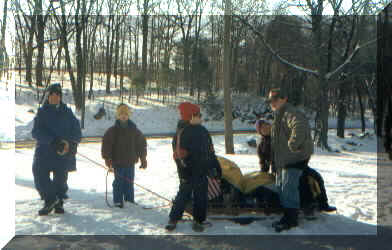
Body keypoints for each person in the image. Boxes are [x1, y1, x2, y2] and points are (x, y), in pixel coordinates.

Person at [266, 88, 314, 232]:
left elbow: (299, 126)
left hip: (294, 158)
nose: (272, 103)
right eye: (270, 100)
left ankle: (291, 220)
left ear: (284, 98)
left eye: (275, 99)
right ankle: (287, 216)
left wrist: (293, 143)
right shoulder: (279, 115)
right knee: (281, 187)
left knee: (288, 187)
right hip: (284, 160)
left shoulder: (290, 112)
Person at [32, 83, 81, 215]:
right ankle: (50, 199)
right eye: (52, 95)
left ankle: (58, 201)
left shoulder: (67, 112)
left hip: (62, 154)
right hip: (44, 153)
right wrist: (53, 141)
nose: (54, 97)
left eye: (57, 95)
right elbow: (36, 132)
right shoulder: (42, 112)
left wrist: (71, 144)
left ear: (60, 97)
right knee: (39, 176)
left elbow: (77, 131)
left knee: (60, 180)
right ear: (48, 96)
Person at [166, 102, 214, 232]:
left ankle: (199, 220)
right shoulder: (181, 132)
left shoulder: (203, 131)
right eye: (198, 115)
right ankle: (173, 218)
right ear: (191, 116)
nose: (201, 117)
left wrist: (214, 165)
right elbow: (178, 155)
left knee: (201, 197)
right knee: (183, 195)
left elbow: (210, 150)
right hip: (187, 171)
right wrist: (183, 171)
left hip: (202, 171)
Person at [101, 104, 147, 208]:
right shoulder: (112, 131)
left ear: (129, 115)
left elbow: (141, 144)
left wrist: (143, 158)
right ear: (118, 115)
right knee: (118, 182)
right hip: (118, 163)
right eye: (121, 114)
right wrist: (107, 158)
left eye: (126, 114)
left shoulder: (134, 130)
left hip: (130, 162)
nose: (123, 116)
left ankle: (129, 200)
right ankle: (118, 201)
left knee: (129, 182)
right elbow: (106, 145)